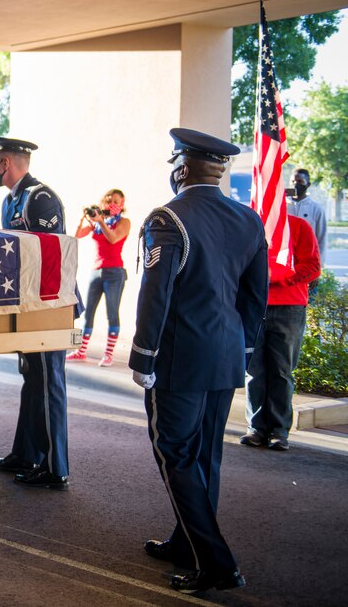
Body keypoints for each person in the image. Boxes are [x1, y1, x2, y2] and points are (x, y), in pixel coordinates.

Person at [130, 128, 266, 594]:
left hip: (179, 360)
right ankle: (186, 541)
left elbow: (156, 294)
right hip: (224, 355)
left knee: (178, 456)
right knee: (205, 455)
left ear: (182, 168)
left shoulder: (169, 218)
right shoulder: (248, 219)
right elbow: (254, 297)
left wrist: (143, 354)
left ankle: (216, 562)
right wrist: (243, 350)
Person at [0, 136, 70, 490]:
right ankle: (26, 452)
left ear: (6, 162)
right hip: (26, 306)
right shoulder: (11, 200)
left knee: (49, 384)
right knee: (32, 380)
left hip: (47, 305)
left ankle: (55, 466)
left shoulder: (40, 197)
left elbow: (50, 257)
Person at [241, 213, 321, 451]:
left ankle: (279, 430)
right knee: (253, 371)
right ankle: (255, 427)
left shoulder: (298, 225)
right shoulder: (247, 224)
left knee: (282, 370)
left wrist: (277, 277)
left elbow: (313, 267)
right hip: (254, 305)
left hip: (289, 308)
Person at [68, 189, 131, 366]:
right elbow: (76, 236)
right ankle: (81, 351)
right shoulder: (98, 223)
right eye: (108, 200)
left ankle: (108, 354)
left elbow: (113, 239)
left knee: (112, 313)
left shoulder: (124, 222)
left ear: (122, 203)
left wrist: (101, 222)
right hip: (96, 271)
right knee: (88, 313)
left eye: (115, 201)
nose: (111, 204)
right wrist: (84, 219)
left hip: (115, 273)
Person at [286, 168, 327, 266]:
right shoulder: (282, 205)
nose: (296, 184)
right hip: (285, 261)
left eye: (300, 181)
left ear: (308, 184)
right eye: (293, 181)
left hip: (307, 261)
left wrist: (318, 266)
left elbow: (321, 239)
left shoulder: (316, 209)